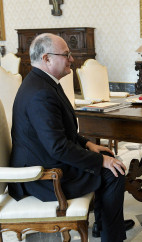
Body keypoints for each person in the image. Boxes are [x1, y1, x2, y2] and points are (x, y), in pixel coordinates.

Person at [8, 33, 134, 242]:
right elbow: (58, 147)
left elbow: (61, 132)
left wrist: (87, 144)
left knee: (108, 162)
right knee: (114, 172)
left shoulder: (43, 83)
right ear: (47, 58)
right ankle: (112, 235)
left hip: (45, 160)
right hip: (41, 176)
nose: (72, 59)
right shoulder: (40, 93)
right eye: (66, 54)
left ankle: (106, 225)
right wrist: (100, 160)